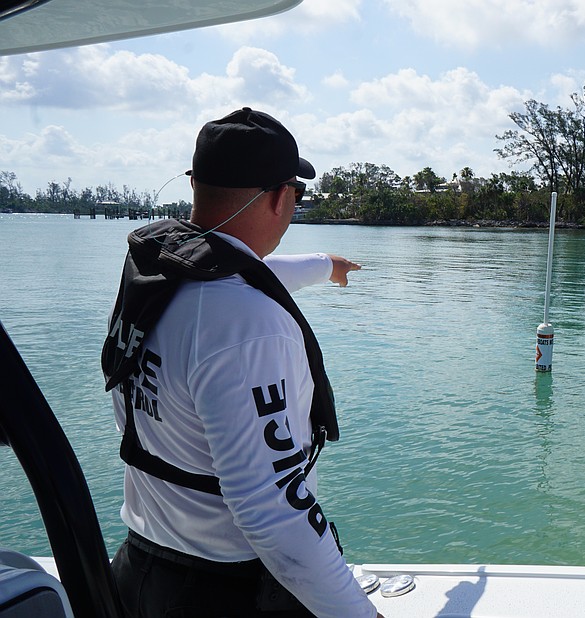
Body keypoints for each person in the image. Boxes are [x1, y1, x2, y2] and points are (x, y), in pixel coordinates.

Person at [101, 107, 381, 617]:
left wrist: (325, 266)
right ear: (280, 195)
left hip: (140, 570)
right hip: (227, 593)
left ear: (196, 183)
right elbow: (274, 512)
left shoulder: (158, 270)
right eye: (296, 194)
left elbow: (247, 268)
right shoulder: (250, 327)